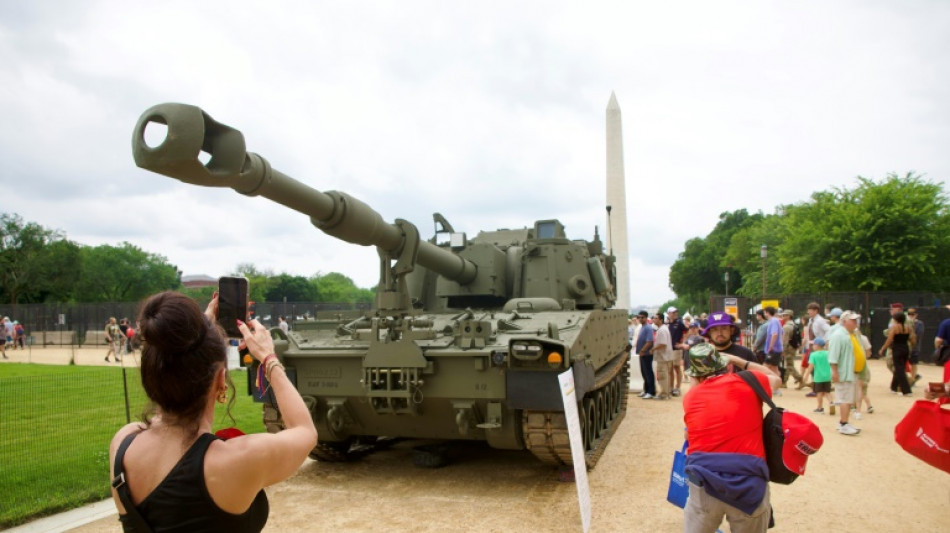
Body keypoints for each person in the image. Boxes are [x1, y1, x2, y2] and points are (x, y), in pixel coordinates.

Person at [109, 291, 317, 532]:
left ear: (152, 375)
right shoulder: (235, 460)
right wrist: (268, 358)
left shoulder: (123, 443)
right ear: (221, 381)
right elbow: (304, 431)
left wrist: (201, 333)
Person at [682, 343, 782, 532]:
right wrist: (739, 361)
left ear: (694, 376)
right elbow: (776, 378)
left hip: (704, 480)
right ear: (726, 366)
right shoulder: (750, 381)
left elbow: (688, 433)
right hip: (749, 482)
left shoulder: (691, 397)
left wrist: (695, 381)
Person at [827, 311, 863, 435]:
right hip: (844, 373)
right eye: (852, 320)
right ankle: (843, 423)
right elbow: (833, 355)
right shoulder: (838, 335)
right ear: (844, 321)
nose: (855, 323)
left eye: (855, 320)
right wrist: (835, 371)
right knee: (845, 399)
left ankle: (844, 422)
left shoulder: (852, 334)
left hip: (851, 372)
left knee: (848, 398)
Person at [878, 310, 915, 396]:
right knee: (899, 367)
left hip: (897, 349)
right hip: (905, 348)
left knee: (899, 369)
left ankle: (907, 390)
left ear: (896, 320)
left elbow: (889, 340)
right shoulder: (908, 328)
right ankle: (893, 387)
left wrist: (883, 348)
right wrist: (911, 346)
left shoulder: (894, 328)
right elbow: (912, 339)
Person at [801, 338, 832, 413]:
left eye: (813, 345)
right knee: (827, 392)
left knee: (819, 393)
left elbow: (810, 367)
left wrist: (806, 376)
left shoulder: (813, 355)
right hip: (828, 376)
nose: (812, 346)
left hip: (818, 377)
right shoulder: (827, 353)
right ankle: (831, 402)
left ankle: (820, 407)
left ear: (817, 346)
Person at [651, 313, 674, 400]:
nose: (654, 319)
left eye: (656, 318)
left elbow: (663, 344)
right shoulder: (662, 329)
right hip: (664, 356)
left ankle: (665, 394)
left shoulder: (662, 330)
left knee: (662, 375)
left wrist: (653, 349)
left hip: (663, 356)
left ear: (661, 320)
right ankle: (666, 392)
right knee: (664, 375)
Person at [634, 311, 656, 399]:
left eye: (642, 317)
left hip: (646, 354)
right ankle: (646, 390)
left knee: (648, 372)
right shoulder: (642, 327)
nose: (640, 319)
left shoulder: (648, 328)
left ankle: (651, 391)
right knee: (644, 372)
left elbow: (650, 341)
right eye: (639, 317)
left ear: (646, 318)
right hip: (642, 354)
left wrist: (643, 350)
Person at [667, 307, 687, 397]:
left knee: (677, 367)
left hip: (676, 348)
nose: (675, 314)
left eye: (675, 312)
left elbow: (687, 331)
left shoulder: (679, 322)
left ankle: (677, 387)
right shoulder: (667, 323)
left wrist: (683, 342)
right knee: (670, 369)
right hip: (669, 349)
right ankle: (671, 387)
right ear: (669, 313)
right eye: (673, 312)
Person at [781, 310, 803, 388]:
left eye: (784, 315)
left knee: (789, 365)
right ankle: (784, 382)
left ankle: (800, 378)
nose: (782, 317)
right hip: (793, 347)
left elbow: (785, 340)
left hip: (788, 348)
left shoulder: (786, 326)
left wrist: (782, 349)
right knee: (788, 364)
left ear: (789, 316)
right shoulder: (794, 325)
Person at [762, 307, 784, 380]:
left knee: (765, 367)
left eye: (765, 312)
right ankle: (777, 385)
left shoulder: (773, 321)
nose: (764, 314)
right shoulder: (775, 321)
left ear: (767, 313)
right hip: (777, 348)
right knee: (774, 368)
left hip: (773, 349)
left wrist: (771, 346)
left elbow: (774, 334)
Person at [907, 307, 924, 385]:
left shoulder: (919, 324)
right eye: (909, 314)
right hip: (906, 346)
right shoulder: (905, 322)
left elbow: (918, 334)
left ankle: (913, 379)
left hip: (914, 347)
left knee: (913, 363)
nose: (910, 315)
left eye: (912, 314)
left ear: (916, 315)